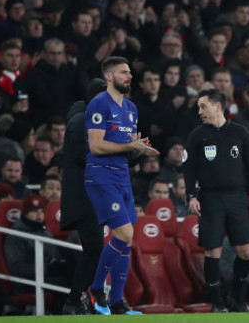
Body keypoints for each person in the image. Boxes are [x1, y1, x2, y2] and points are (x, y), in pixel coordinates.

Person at [85, 57, 159, 315]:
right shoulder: (98, 104)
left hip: (122, 176)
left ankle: (117, 303)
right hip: (101, 177)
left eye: (130, 72)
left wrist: (139, 151)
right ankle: (96, 288)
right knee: (124, 233)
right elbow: (95, 145)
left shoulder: (131, 108)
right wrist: (131, 146)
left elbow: (126, 150)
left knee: (127, 242)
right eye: (123, 73)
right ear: (108, 76)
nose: (129, 76)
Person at [183, 88, 249, 313]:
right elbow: (188, 168)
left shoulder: (241, 133)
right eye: (199, 107)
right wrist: (192, 195)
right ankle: (217, 303)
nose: (200, 111)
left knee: (246, 252)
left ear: (218, 106)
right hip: (211, 198)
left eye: (203, 106)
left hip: (238, 197)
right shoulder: (198, 135)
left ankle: (236, 298)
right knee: (213, 252)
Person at [60, 78, 109, 314]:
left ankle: (77, 299)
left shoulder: (89, 119)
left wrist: (135, 152)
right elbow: (82, 156)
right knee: (94, 250)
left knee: (94, 251)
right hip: (83, 197)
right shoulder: (81, 121)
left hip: (91, 197)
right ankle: (75, 299)